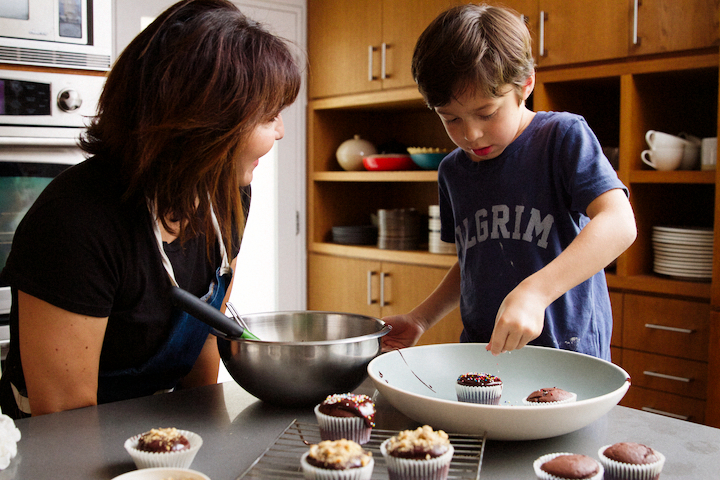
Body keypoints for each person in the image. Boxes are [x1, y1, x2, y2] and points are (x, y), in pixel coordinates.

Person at [0, 0, 301, 419]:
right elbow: (65, 422)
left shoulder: (226, 196)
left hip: (157, 431)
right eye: (269, 116)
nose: (282, 132)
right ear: (206, 121)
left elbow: (205, 340)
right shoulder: (76, 223)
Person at [382, 4, 636, 361]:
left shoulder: (562, 137)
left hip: (567, 353)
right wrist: (420, 318)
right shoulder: (453, 170)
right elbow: (473, 259)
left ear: (525, 84)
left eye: (486, 113)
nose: (470, 134)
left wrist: (537, 291)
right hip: (484, 352)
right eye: (450, 119)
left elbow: (619, 223)